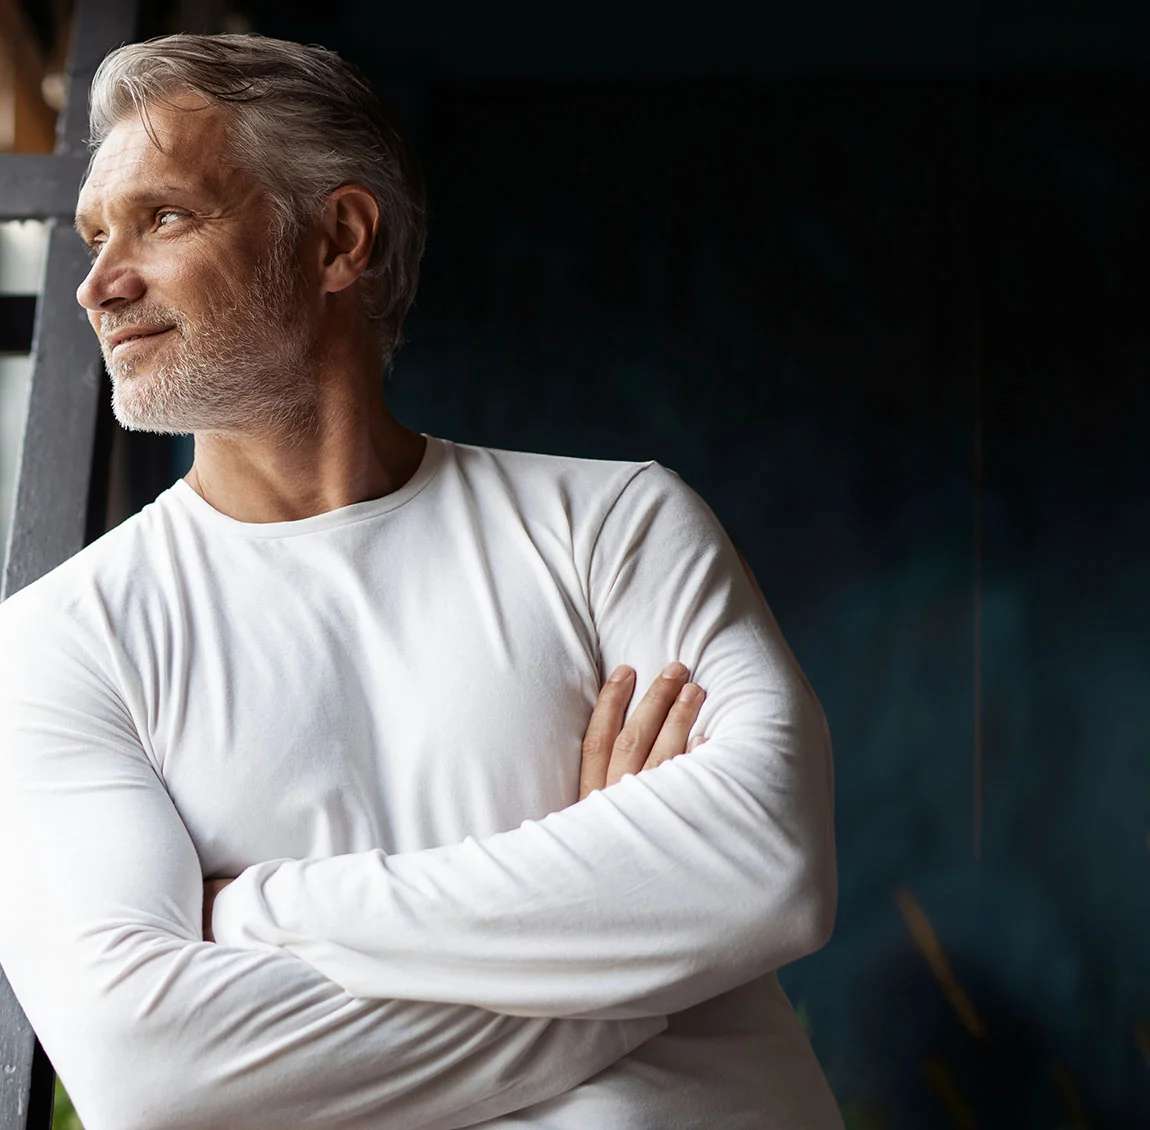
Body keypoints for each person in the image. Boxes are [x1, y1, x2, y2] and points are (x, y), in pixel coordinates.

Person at [0, 33, 842, 1130]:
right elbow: (147, 1068)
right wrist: (630, 960)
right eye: (94, 236)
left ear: (339, 240)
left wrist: (259, 909)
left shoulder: (614, 525)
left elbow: (766, 866)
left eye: (162, 217)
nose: (98, 286)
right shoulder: (59, 640)